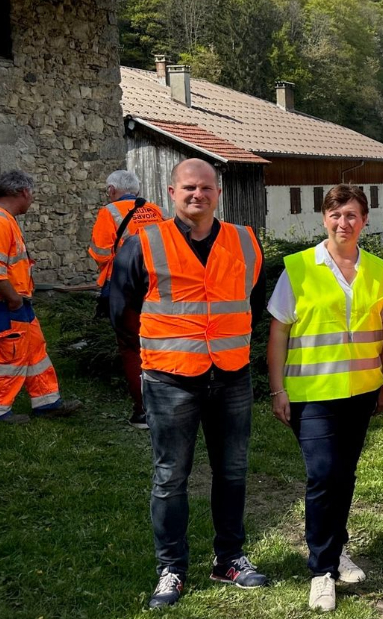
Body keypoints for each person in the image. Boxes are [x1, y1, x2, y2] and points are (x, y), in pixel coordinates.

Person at [110, 158, 268, 608]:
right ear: (172, 193)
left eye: (206, 188)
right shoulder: (144, 243)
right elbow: (120, 307)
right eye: (188, 188)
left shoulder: (244, 240)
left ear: (217, 193)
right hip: (169, 380)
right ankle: (171, 569)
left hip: (231, 376)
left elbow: (249, 297)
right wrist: (149, 355)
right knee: (170, 477)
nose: (197, 195)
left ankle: (229, 559)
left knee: (233, 472)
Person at [267, 184, 383, 612]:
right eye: (337, 215)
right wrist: (278, 389)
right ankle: (321, 570)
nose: (345, 223)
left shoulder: (377, 268)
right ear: (325, 219)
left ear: (364, 221)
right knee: (322, 475)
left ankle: (336, 549)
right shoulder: (299, 268)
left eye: (353, 215)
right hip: (312, 395)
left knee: (344, 475)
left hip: (359, 392)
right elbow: (279, 331)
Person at [0, 170, 81, 424]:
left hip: (15, 300)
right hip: (6, 302)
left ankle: (47, 402)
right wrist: (13, 299)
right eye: (32, 195)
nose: (32, 200)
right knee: (12, 354)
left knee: (34, 349)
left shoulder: (3, 219)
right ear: (23, 192)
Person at [89, 169, 164, 428]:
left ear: (111, 190)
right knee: (159, 344)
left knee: (132, 348)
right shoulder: (154, 210)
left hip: (126, 285)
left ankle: (142, 411)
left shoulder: (108, 212)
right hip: (159, 282)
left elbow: (100, 252)